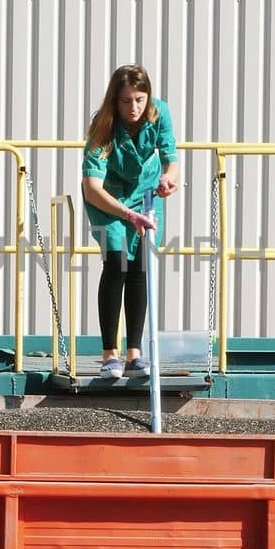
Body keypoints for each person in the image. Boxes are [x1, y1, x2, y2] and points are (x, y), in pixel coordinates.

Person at [81, 64, 180, 380]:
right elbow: (91, 187)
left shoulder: (159, 113)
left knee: (139, 267)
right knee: (116, 263)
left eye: (139, 99)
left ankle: (135, 353)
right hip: (108, 200)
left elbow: (171, 159)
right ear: (115, 100)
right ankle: (110, 352)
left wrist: (168, 180)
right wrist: (126, 214)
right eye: (126, 101)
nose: (133, 107)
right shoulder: (104, 125)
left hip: (145, 196)